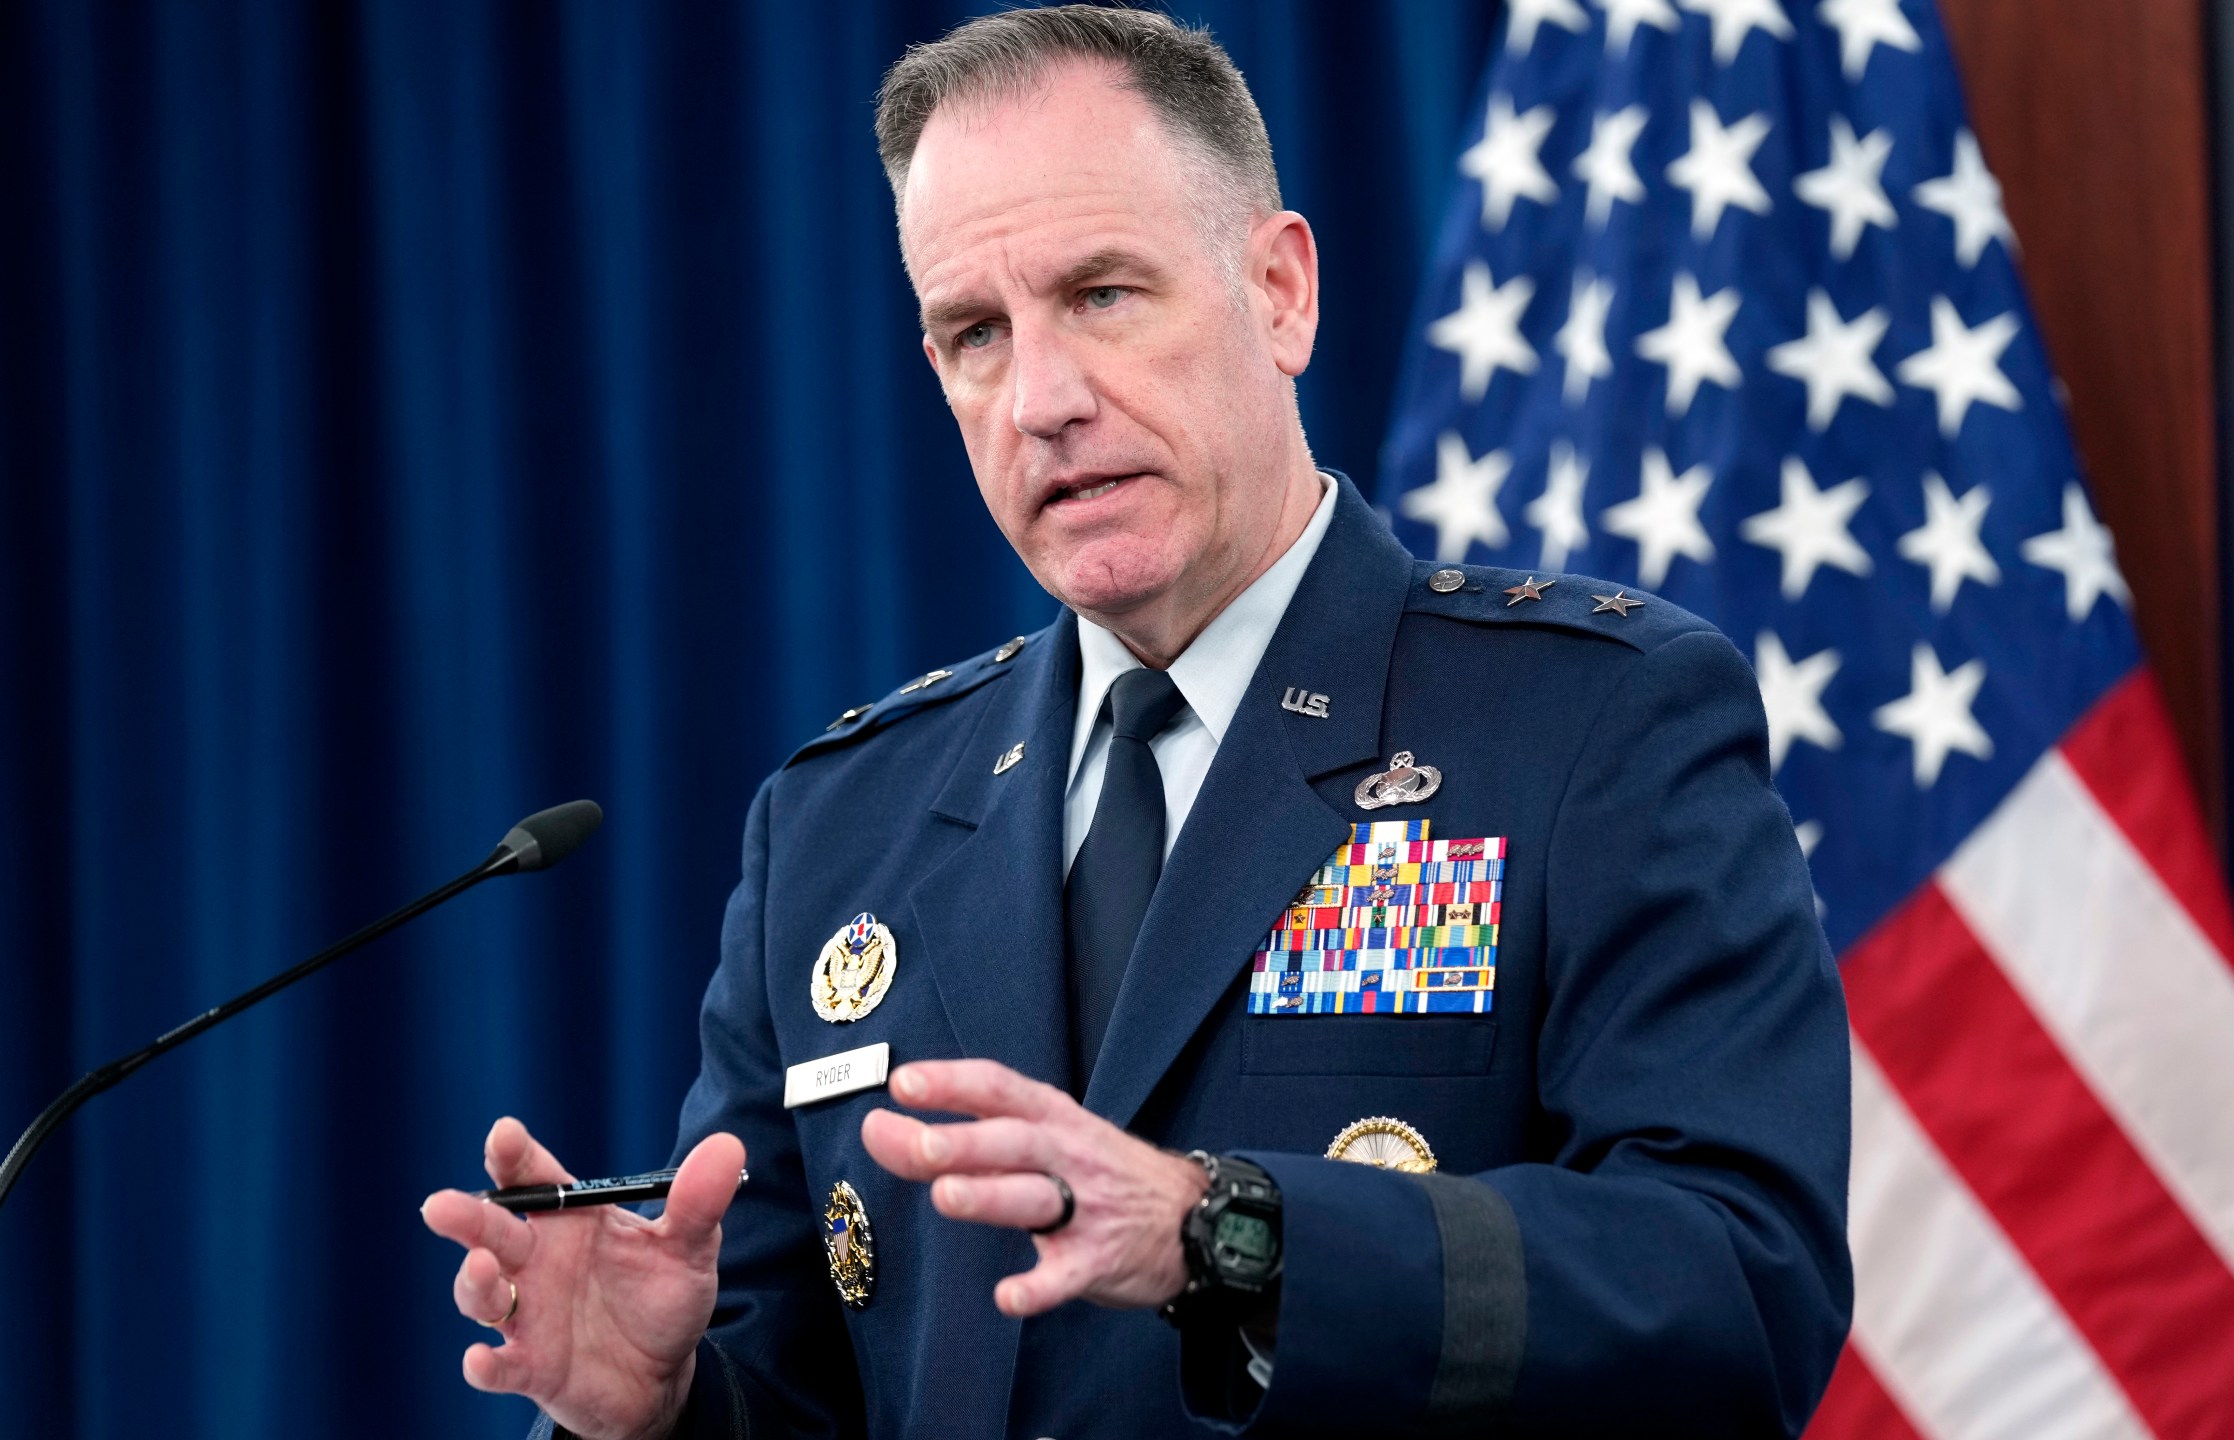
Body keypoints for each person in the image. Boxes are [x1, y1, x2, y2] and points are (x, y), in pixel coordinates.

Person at [420, 8, 1850, 1436]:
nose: (1042, 400)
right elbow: (801, 1388)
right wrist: (657, 1410)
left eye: (1103, 294)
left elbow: (1737, 1289)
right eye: (976, 333)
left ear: (1280, 292)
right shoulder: (842, 828)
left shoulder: (1591, 723)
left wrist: (1225, 1237)